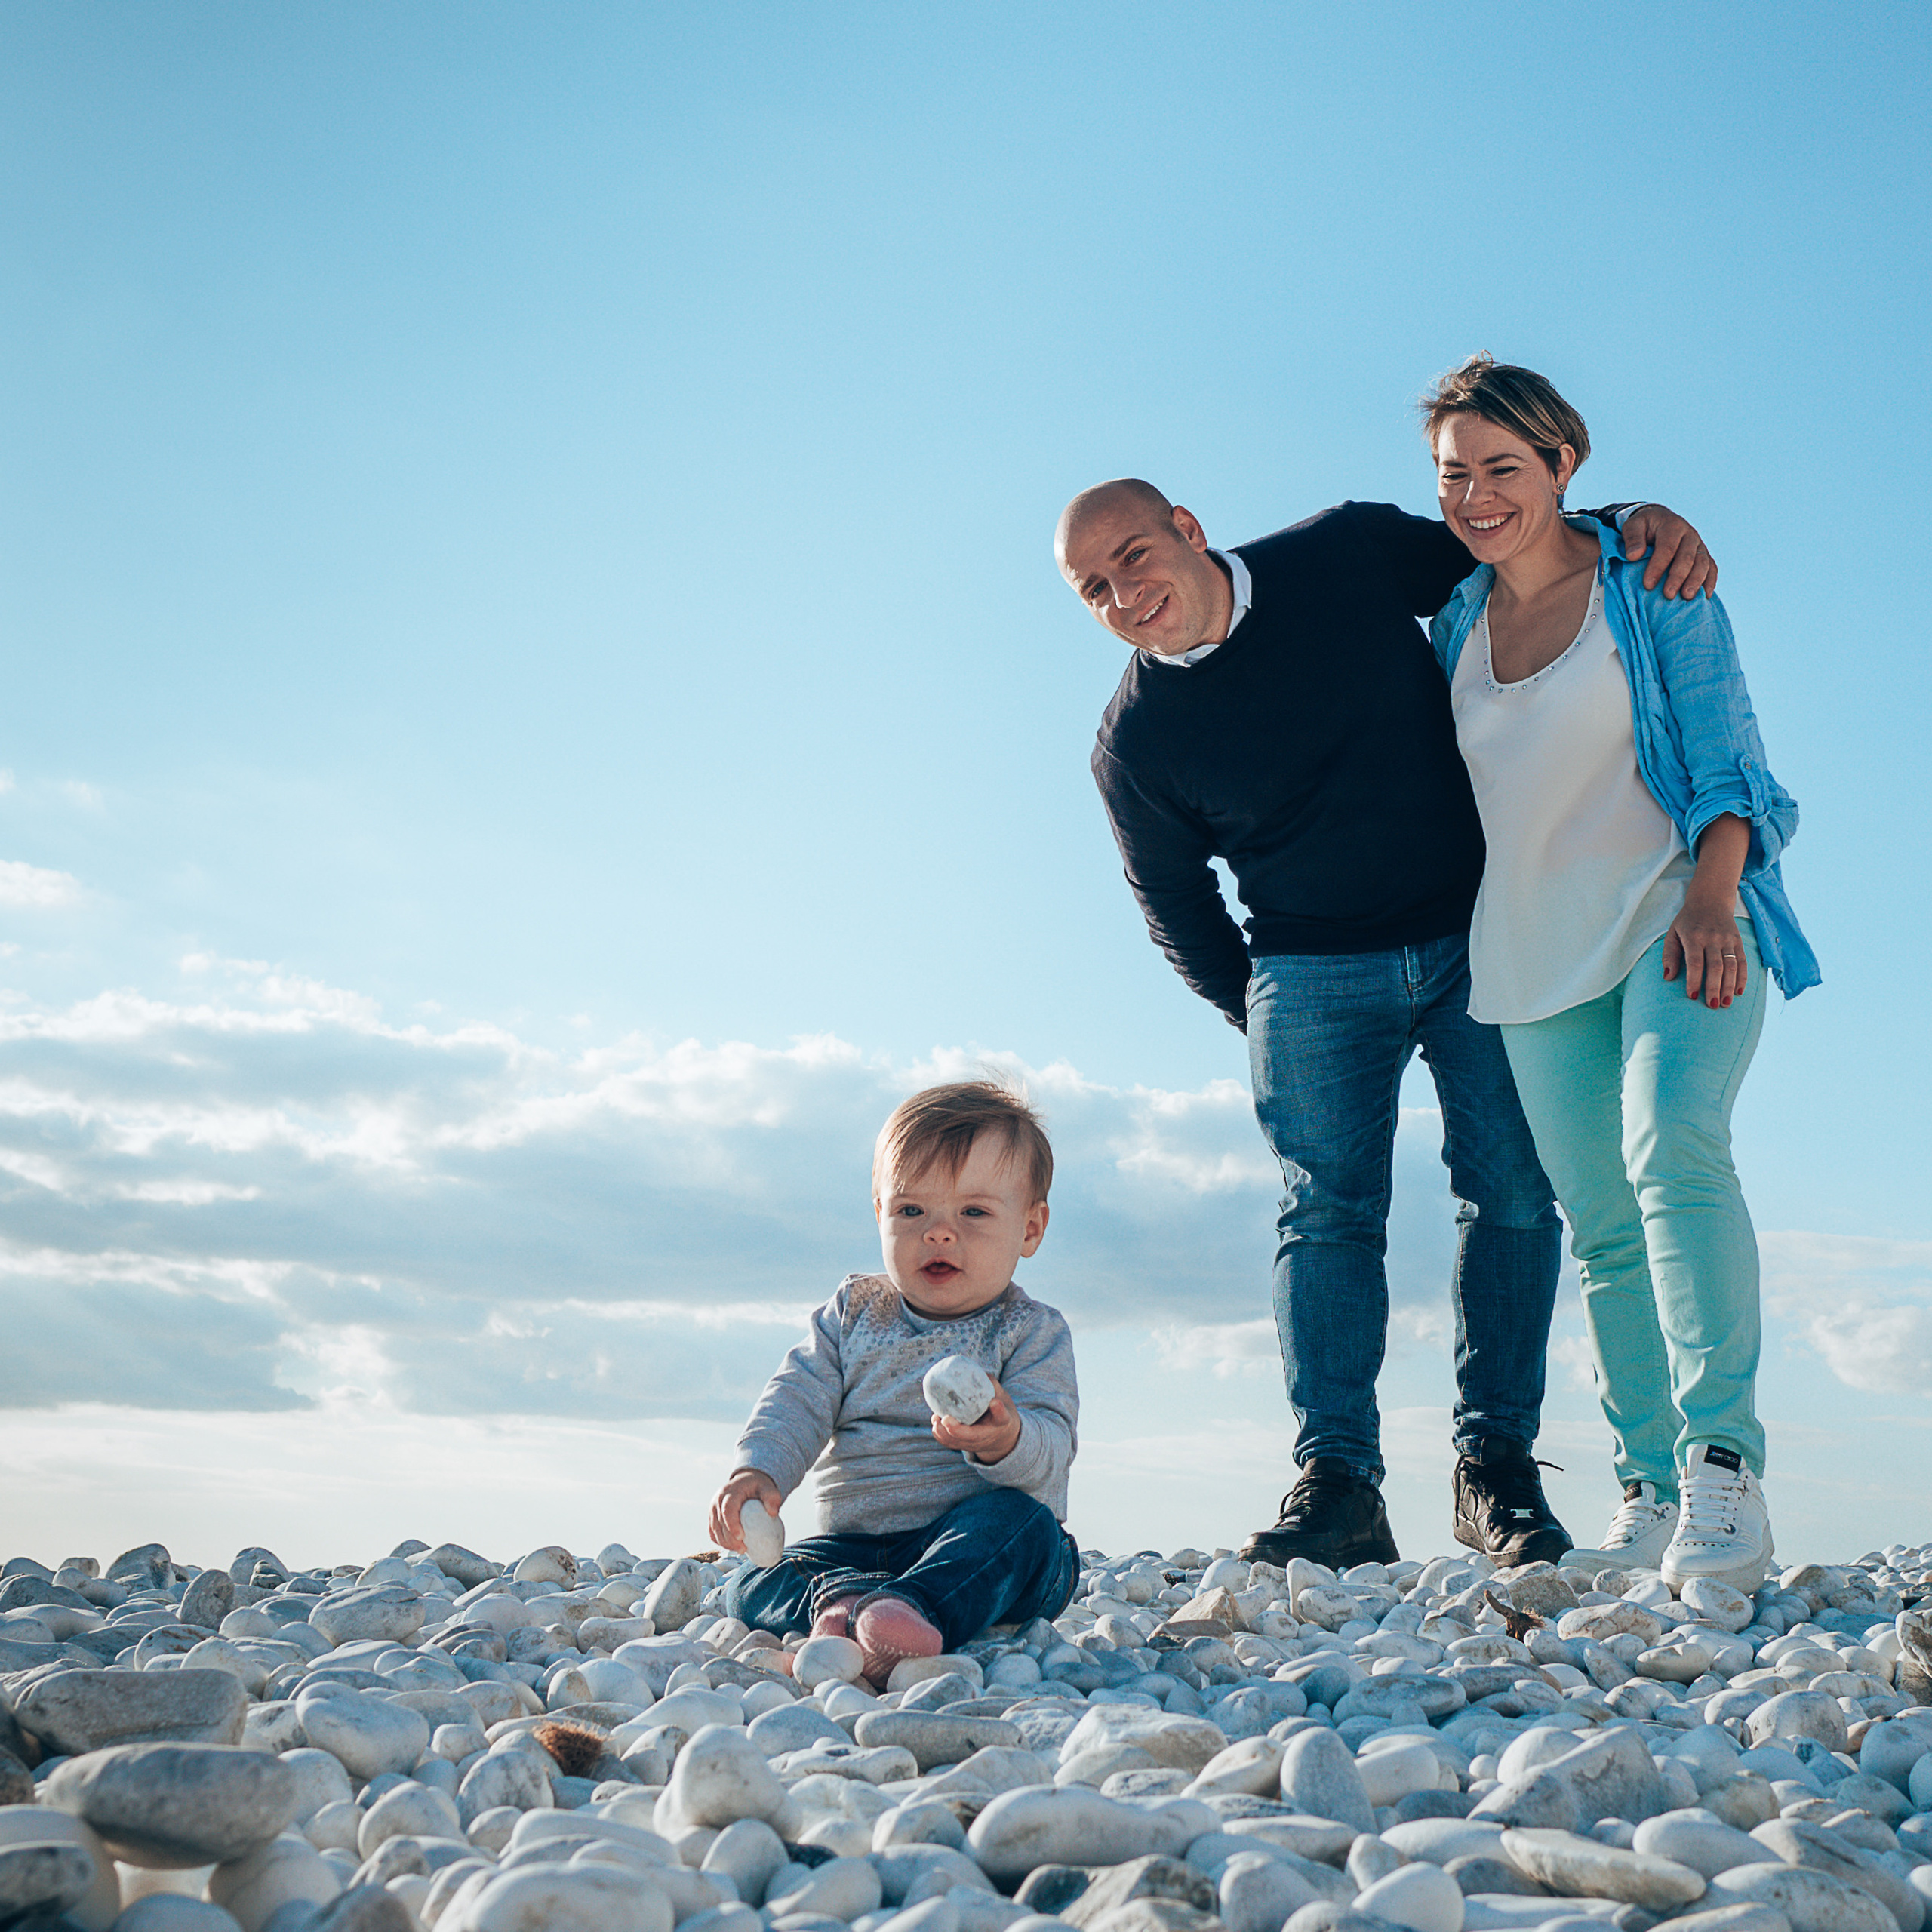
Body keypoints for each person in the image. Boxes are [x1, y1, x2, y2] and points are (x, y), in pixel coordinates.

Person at [1057, 477, 1717, 1571]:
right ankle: (1339, 1484)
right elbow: (1177, 909)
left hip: (1480, 933)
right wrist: (1267, 1010)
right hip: (1310, 971)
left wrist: (1631, 521)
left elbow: (1520, 553)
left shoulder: (1347, 553)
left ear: (1188, 530)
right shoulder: (1135, 745)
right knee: (1325, 1215)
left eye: (1134, 557)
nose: (1124, 594)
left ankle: (1494, 1467)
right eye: (1093, 589)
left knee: (1511, 1192)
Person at [1423, 357, 1817, 1590]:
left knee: (1673, 1145)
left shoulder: (1649, 582)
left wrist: (1713, 894)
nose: (1480, 495)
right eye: (1455, 474)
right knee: (1600, 1228)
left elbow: (1730, 755)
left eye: (1503, 468)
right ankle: (1645, 1489)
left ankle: (1722, 1474)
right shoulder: (1449, 628)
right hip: (1531, 954)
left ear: (1561, 468)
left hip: (1677, 914)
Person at [711, 1080, 1080, 1684]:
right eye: (912, 1211)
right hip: (854, 1546)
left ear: (1030, 1229)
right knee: (751, 1581)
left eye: (975, 1212)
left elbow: (1051, 1451)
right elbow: (797, 1396)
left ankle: (914, 1609)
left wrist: (1004, 1439)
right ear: (880, 1214)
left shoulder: (1029, 1332)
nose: (938, 1232)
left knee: (1029, 1531)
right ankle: (847, 1603)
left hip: (970, 1538)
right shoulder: (855, 1313)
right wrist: (760, 1468)